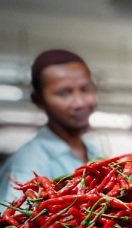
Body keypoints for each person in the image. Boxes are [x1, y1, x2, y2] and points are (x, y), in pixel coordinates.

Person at [0, 49, 101, 204]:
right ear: (38, 100)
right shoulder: (28, 164)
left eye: (86, 89)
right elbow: (13, 218)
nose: (80, 103)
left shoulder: (93, 149)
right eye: (64, 93)